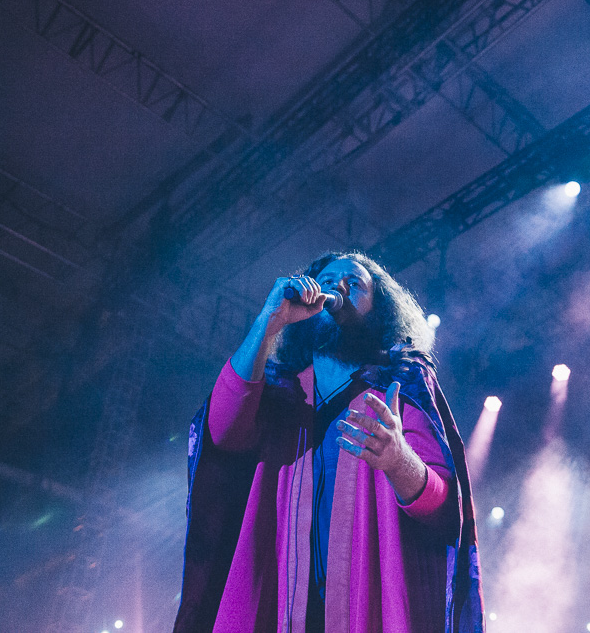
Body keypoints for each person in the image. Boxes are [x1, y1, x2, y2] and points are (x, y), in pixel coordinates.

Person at [173, 252, 483, 633]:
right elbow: (222, 432)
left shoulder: (403, 383)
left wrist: (400, 461)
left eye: (355, 283)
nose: (338, 286)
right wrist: (267, 322)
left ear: (379, 307)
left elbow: (446, 510)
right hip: (277, 606)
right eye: (327, 279)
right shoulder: (278, 391)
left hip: (372, 612)